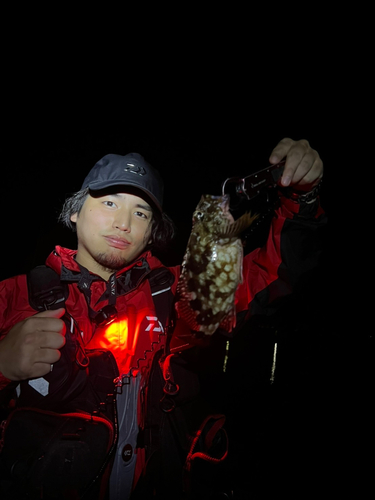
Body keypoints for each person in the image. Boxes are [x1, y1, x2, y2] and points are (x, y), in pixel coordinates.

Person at [0, 138, 326, 499]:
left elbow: (273, 277)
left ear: (152, 231)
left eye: (140, 213)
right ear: (75, 212)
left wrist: (302, 199)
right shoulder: (11, 296)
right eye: (109, 203)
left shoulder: (178, 293)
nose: (123, 223)